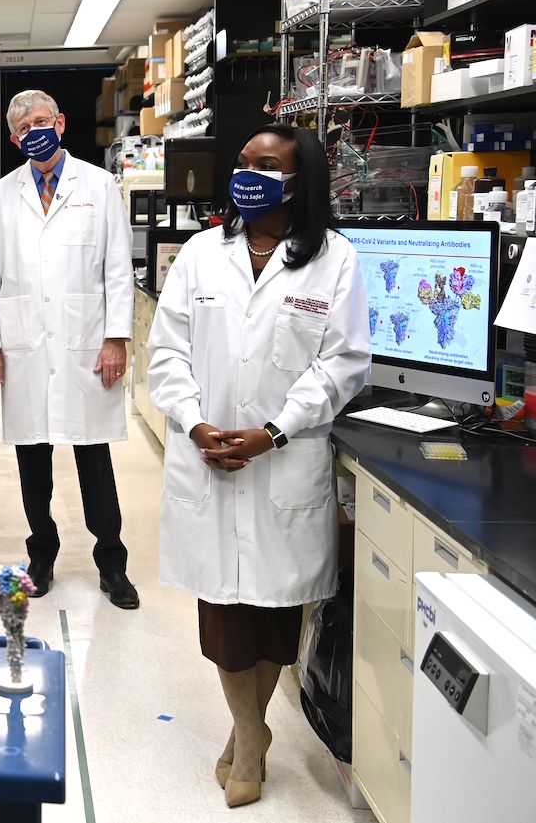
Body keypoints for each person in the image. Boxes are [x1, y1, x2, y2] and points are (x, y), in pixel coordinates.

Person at [147, 123, 370, 808]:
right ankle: (252, 736)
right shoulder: (200, 256)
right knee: (223, 614)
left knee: (274, 611)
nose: (248, 173)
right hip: (209, 456)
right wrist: (196, 423)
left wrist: (273, 432)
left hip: (284, 459)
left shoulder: (334, 260)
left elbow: (344, 361)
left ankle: (247, 737)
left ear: (299, 179)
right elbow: (168, 353)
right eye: (243, 161)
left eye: (265, 164)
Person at [0, 89, 139, 609]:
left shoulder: (100, 184)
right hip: (26, 347)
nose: (34, 132)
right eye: (24, 129)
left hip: (85, 344)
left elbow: (117, 266)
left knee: (94, 460)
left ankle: (111, 561)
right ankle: (41, 553)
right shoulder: (1, 194)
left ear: (62, 124)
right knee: (33, 461)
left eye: (42, 122)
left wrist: (117, 337)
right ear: (12, 138)